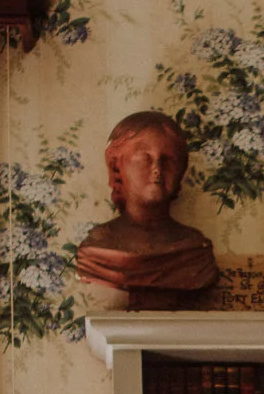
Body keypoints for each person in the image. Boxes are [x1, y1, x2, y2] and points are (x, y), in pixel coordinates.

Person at [74, 109, 220, 308]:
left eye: (168, 159)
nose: (157, 169)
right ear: (117, 167)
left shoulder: (195, 251)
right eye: (145, 159)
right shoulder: (98, 248)